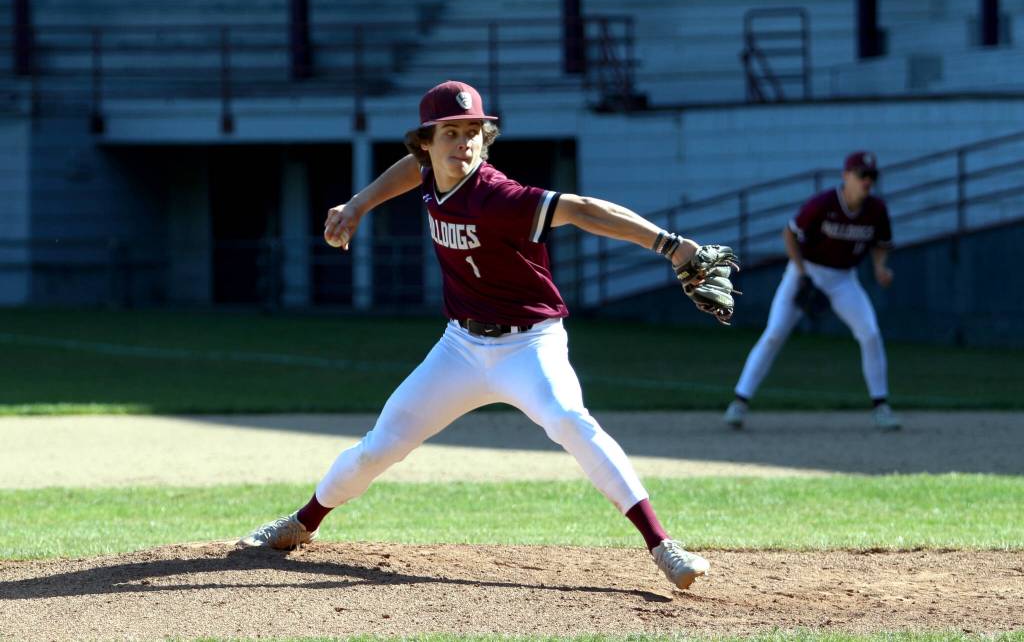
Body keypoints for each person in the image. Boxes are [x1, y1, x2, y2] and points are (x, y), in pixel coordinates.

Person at [237, 80, 721, 590]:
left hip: (530, 344)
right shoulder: (429, 172)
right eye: (451, 132)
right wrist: (358, 205)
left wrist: (672, 246)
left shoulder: (498, 196)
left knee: (570, 421)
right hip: (460, 348)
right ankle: (303, 522)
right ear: (426, 141)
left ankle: (662, 545)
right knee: (379, 448)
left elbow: (579, 209)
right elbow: (412, 172)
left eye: (474, 131)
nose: (464, 142)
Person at [723, 151, 901, 431]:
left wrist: (880, 267)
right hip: (806, 271)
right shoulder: (824, 203)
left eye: (871, 176)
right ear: (846, 176)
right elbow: (789, 234)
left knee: (870, 333)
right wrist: (802, 274)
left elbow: (882, 243)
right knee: (774, 334)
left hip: (843, 279)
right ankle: (739, 402)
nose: (867, 180)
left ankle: (881, 406)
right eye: (861, 174)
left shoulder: (876, 210)